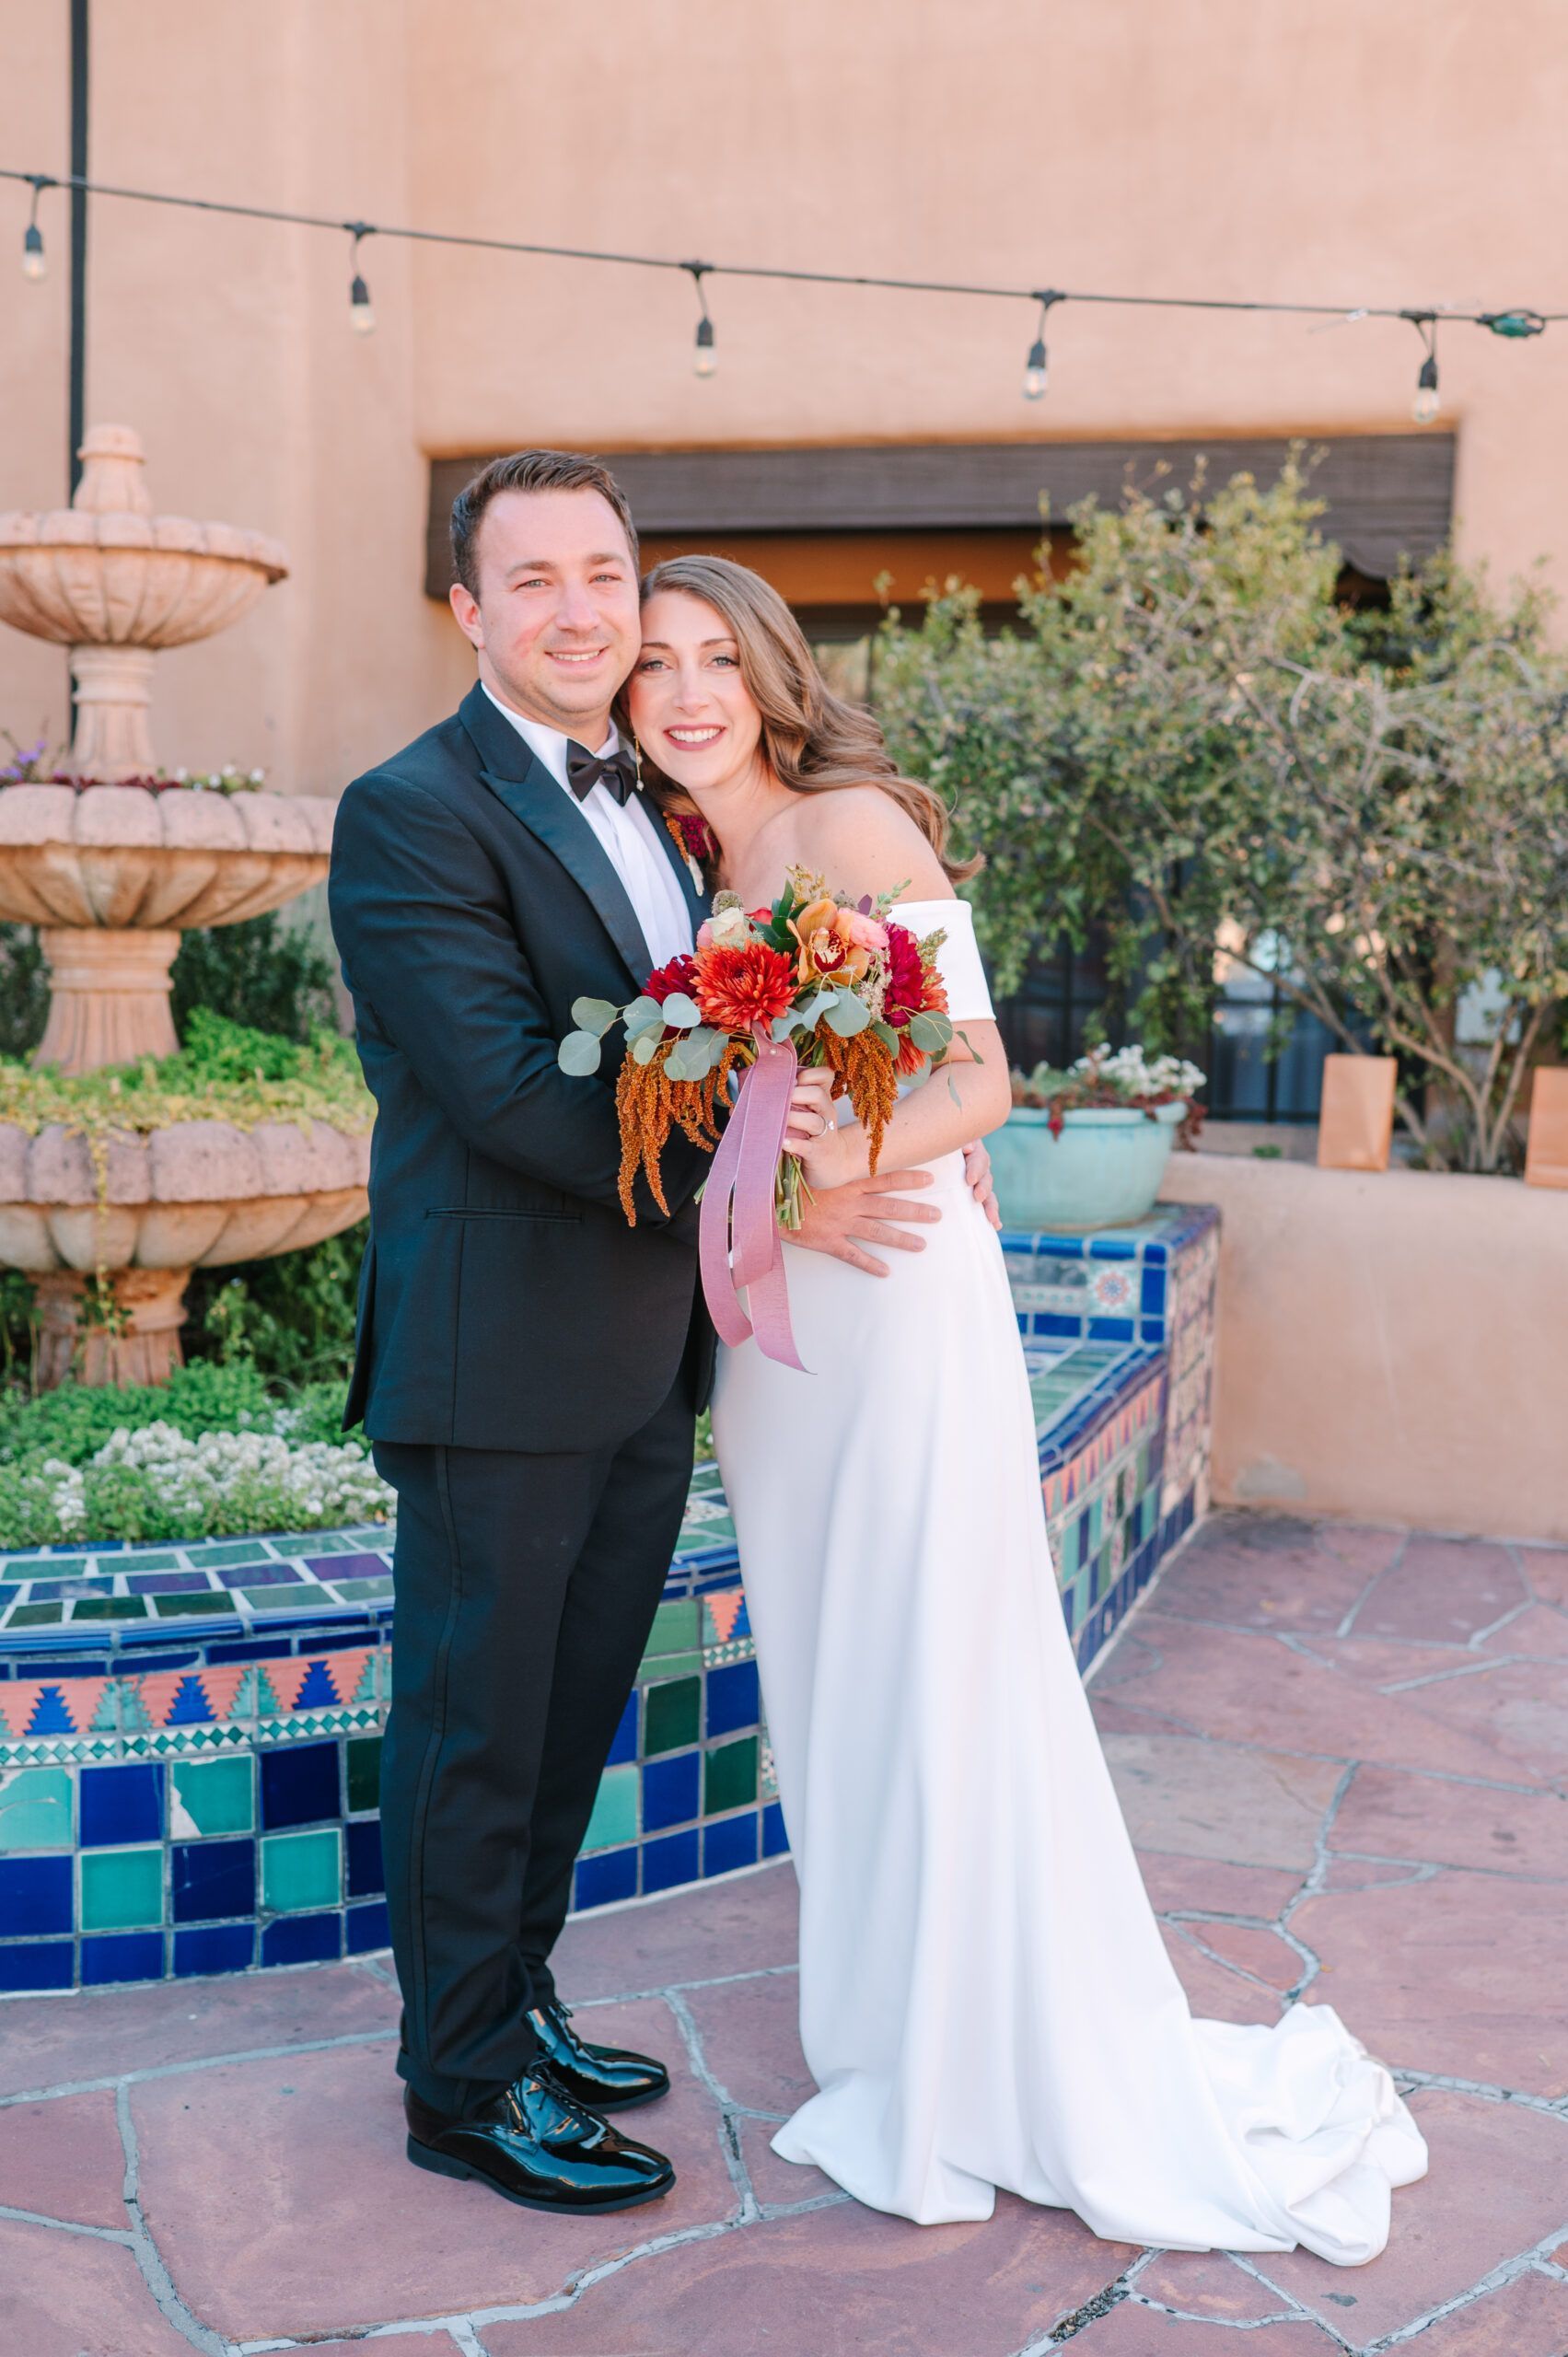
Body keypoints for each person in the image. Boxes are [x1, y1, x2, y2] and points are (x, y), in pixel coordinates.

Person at [621, 552, 1429, 2264]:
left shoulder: (847, 831)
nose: (684, 690)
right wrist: (765, 1180)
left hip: (896, 1303)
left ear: (769, 678)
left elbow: (978, 1074)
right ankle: (885, 2039)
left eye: (715, 658)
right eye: (652, 665)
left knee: (936, 1658)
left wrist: (844, 1152)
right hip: (783, 1331)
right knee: (834, 1672)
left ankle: (972, 2072)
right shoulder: (705, 858)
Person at [328, 450, 996, 2216]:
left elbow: (784, 1038)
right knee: (479, 1724)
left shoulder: (676, 810)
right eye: (532, 579)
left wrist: (850, 1133)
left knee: (563, 1723)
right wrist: (774, 1195)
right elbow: (509, 1098)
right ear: (470, 611)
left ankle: (518, 2001)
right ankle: (459, 2080)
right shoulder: (411, 811)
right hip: (500, 1355)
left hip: (646, 1351)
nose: (580, 609)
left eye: (602, 575)